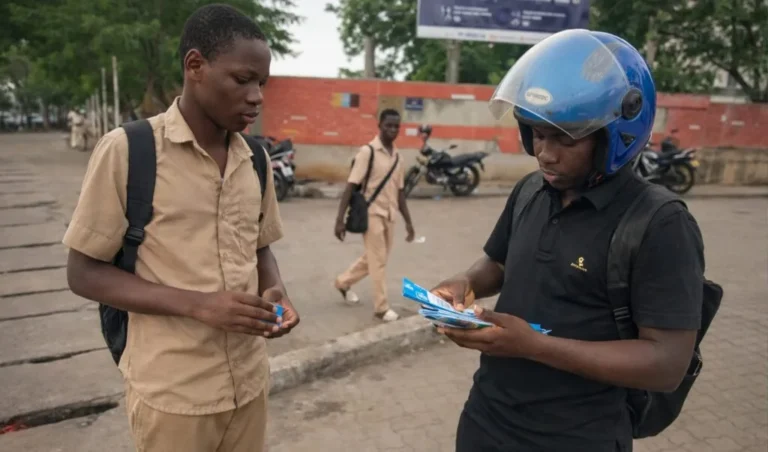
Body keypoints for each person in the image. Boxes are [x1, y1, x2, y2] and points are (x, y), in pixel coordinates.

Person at [431, 29, 704, 452]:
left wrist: (534, 346)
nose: (545, 153)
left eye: (565, 138)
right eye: (537, 134)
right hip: (487, 419)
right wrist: (463, 283)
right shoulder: (529, 191)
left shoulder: (659, 223)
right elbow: (499, 264)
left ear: (617, 134)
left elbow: (666, 362)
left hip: (578, 436)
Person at [62, 5, 299, 452]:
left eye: (262, 84)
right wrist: (200, 306)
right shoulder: (129, 151)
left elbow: (260, 246)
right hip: (174, 395)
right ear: (195, 66)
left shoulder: (257, 159)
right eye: (242, 79)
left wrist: (277, 290)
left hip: (248, 385)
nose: (257, 97)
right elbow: (84, 273)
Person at [333, 109, 415, 322]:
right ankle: (381, 307)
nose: (392, 130)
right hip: (371, 215)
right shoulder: (367, 152)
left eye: (396, 126)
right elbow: (351, 186)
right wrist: (339, 220)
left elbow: (400, 192)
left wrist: (409, 222)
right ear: (379, 125)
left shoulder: (398, 157)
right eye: (388, 125)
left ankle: (343, 282)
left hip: (389, 215)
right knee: (378, 261)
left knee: (375, 257)